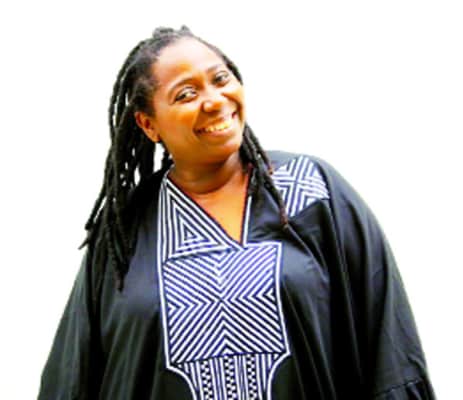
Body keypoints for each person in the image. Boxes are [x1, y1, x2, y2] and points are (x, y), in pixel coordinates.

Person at [38, 26, 435, 400]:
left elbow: (390, 349)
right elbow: (73, 377)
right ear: (148, 124)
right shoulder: (126, 232)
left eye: (221, 79)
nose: (214, 100)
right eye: (186, 94)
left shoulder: (311, 191)